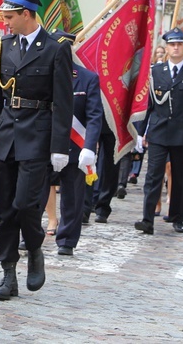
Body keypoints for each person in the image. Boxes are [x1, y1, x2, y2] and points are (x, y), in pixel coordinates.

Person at [0, 0, 72, 301]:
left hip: (38, 136)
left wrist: (60, 146)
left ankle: (34, 249)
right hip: (7, 136)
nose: (5, 23)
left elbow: (63, 101)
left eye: (10, 17)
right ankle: (8, 273)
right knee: (5, 210)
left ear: (27, 14)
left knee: (24, 205)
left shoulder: (55, 48)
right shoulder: (5, 45)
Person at [134, 28, 183, 235]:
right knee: (153, 176)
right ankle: (147, 218)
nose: (176, 47)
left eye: (179, 44)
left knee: (179, 178)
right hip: (159, 132)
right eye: (172, 44)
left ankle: (178, 217)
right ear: (167, 47)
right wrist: (140, 132)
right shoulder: (155, 72)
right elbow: (148, 105)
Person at [49, 30, 102, 256]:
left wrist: (89, 146)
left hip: (74, 146)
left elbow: (94, 115)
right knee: (34, 195)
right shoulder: (42, 75)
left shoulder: (87, 78)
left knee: (72, 196)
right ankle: (28, 234)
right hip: (46, 145)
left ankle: (67, 240)